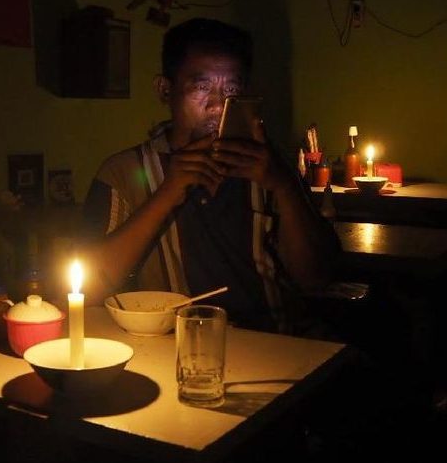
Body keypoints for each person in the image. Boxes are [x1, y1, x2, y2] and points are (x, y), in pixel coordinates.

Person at [79, 17, 340, 334]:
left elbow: (316, 278)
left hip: (275, 340)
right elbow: (88, 289)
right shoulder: (124, 172)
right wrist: (169, 191)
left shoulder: (268, 167)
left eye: (231, 90)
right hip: (174, 344)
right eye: (201, 87)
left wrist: (284, 186)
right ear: (165, 89)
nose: (217, 105)